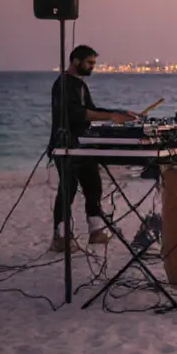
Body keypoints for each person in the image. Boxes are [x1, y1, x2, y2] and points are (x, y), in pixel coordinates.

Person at [48, 45, 139, 252]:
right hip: (65, 144)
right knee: (67, 189)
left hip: (83, 144)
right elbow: (77, 113)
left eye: (93, 63)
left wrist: (119, 112)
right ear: (75, 61)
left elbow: (92, 110)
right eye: (89, 63)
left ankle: (96, 231)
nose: (92, 67)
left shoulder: (81, 85)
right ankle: (60, 237)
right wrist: (109, 117)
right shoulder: (62, 84)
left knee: (93, 186)